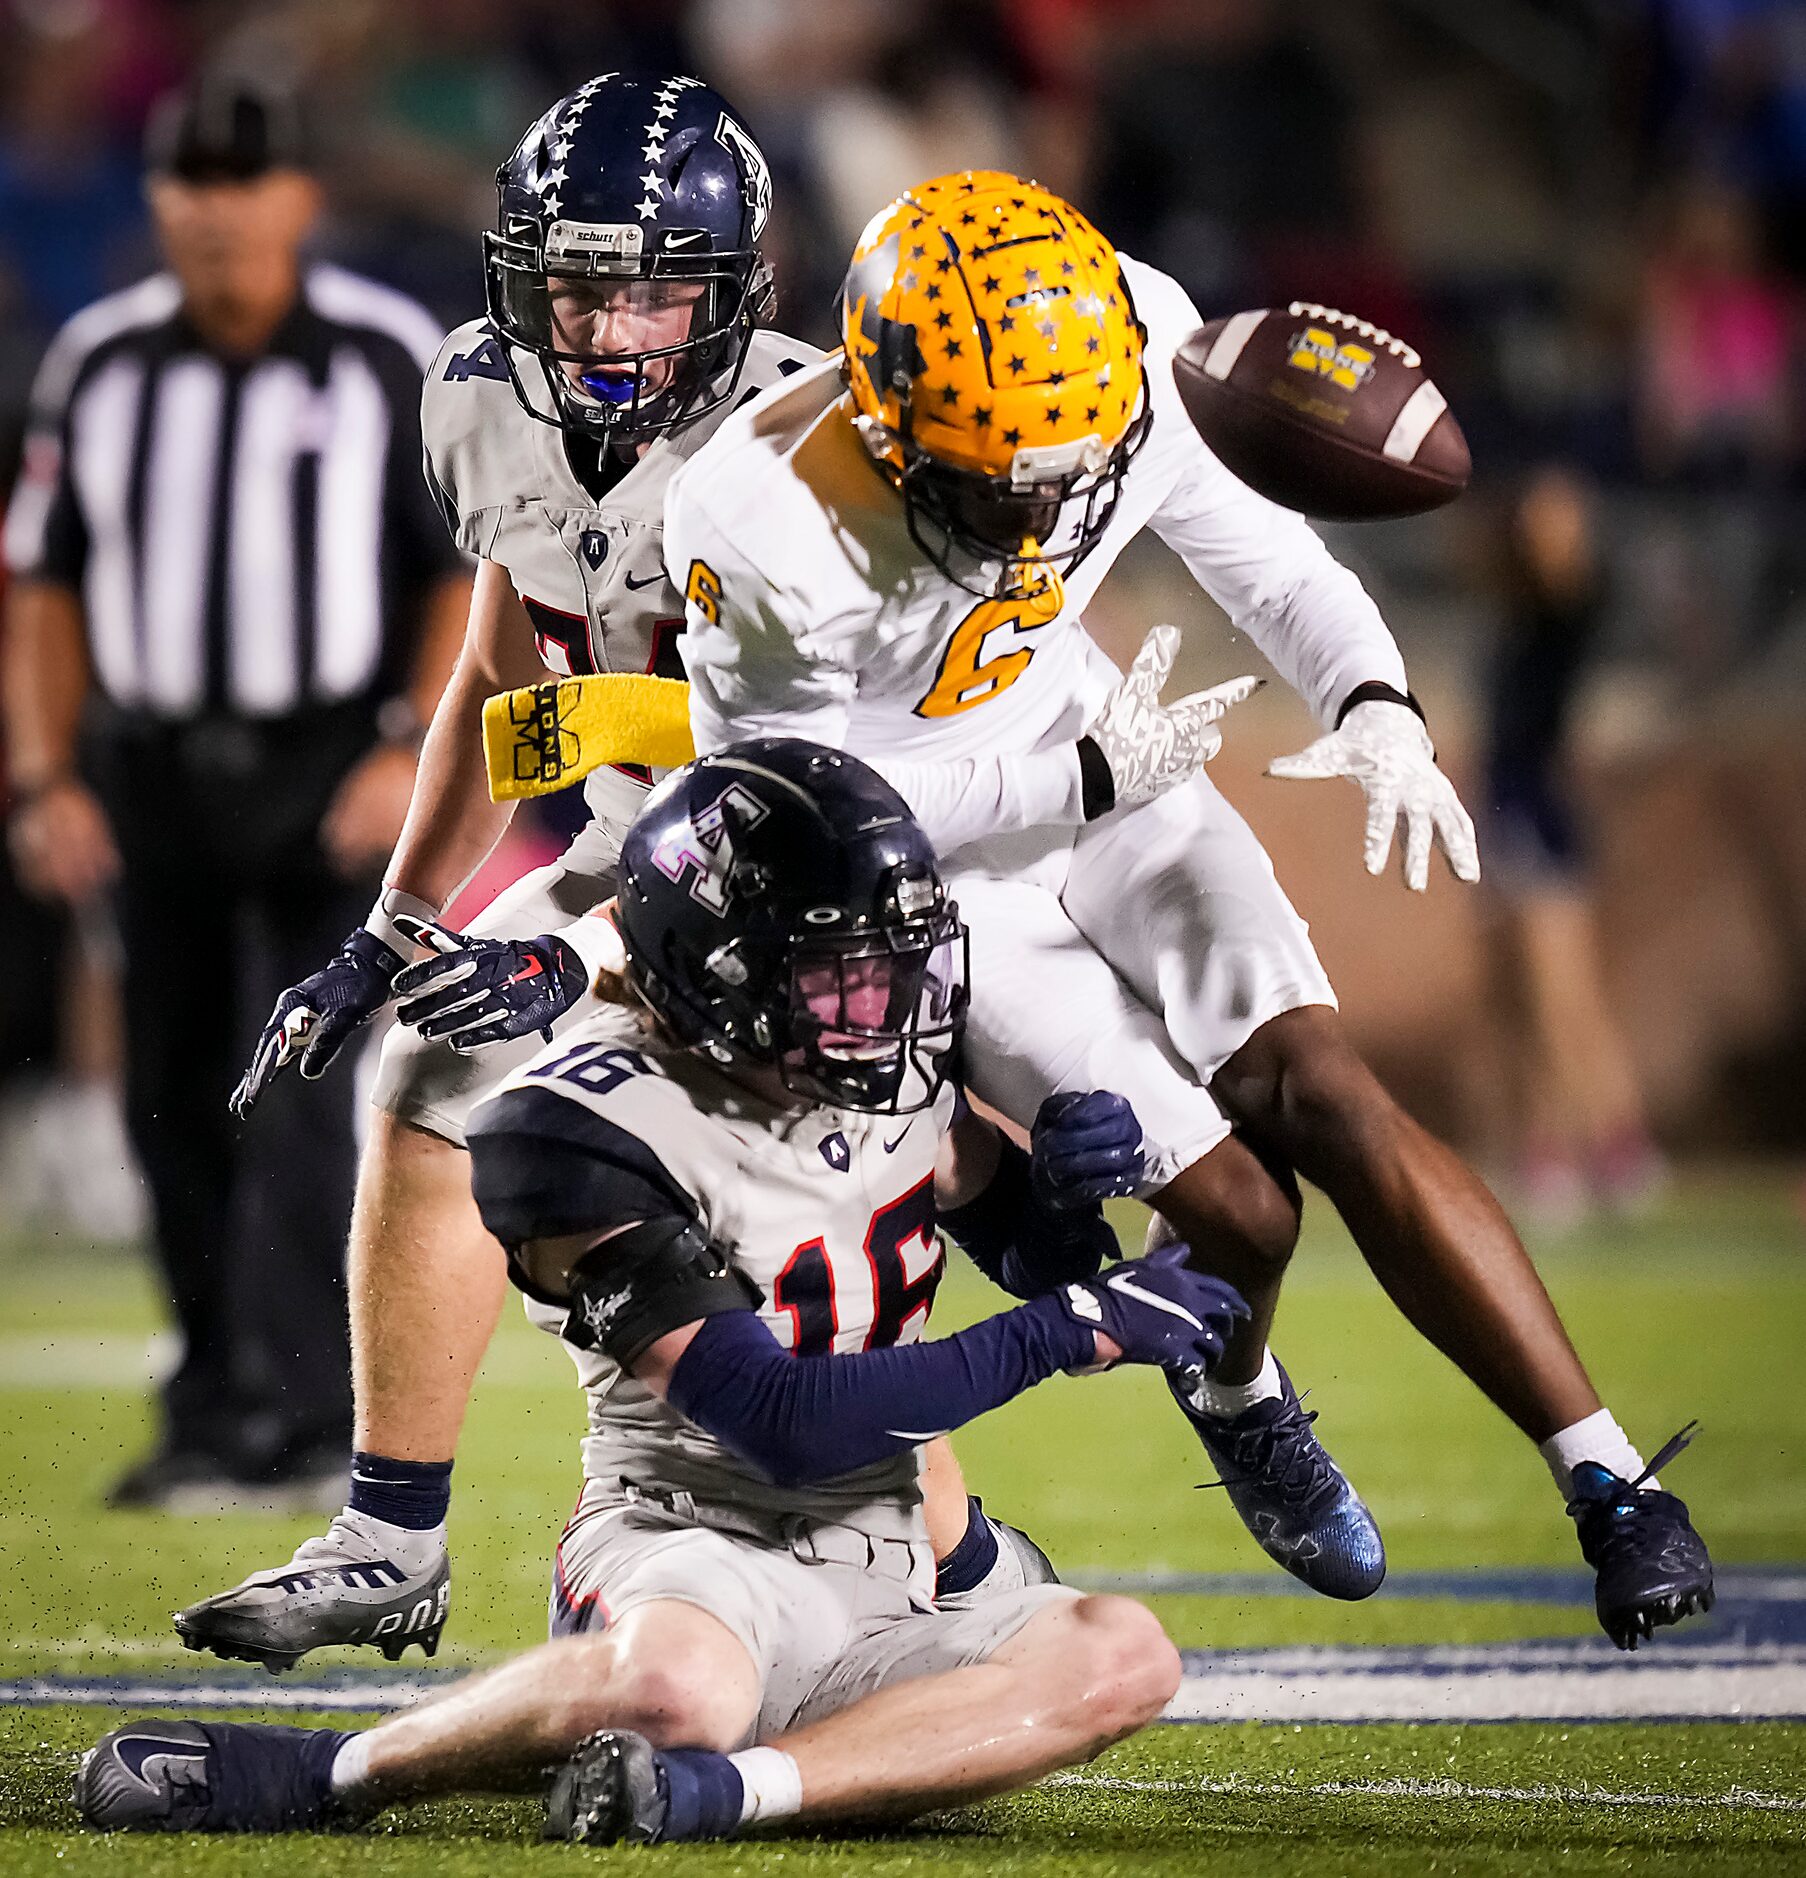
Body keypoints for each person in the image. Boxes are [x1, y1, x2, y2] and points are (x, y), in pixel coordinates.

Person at [652, 172, 1712, 1650]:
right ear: (889, 423)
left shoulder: (1130, 344)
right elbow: (800, 815)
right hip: (934, 869)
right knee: (1238, 1216)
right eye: (992, 482)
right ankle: (1239, 1395)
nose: (1038, 515)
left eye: (1062, 476)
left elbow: (1269, 559)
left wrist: (1373, 701)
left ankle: (1606, 1480)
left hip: (1115, 772)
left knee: (1326, 1089)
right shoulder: (761, 518)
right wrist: (1061, 770)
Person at [179, 75, 1047, 1666]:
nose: (604, 327)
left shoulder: (822, 441)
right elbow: (502, 685)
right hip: (633, 852)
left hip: (837, 871)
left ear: (734, 294)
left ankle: (1028, 1520)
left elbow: (829, 741)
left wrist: (570, 947)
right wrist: (401, 921)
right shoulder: (475, 398)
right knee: (426, 1055)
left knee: (830, 1220)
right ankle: (387, 1533)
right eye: (576, 284)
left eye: (653, 288)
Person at [76, 739, 1244, 1845]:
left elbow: (1041, 1253)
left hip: (892, 1561)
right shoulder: (573, 1128)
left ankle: (717, 1796)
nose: (885, 1005)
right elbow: (778, 1420)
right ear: (712, 971)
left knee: (1125, 1655)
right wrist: (1074, 1330)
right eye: (842, 974)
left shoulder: (874, 1054)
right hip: (687, 1550)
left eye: (895, 963)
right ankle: (338, 1772)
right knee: (679, 1689)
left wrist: (1072, 1183)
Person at [0, 73, 468, 1508]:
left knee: (303, 1095)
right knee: (167, 1097)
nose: (216, 210)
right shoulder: (102, 361)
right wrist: (41, 775)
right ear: (160, 201)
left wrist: (405, 744)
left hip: (329, 762)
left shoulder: (386, 356)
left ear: (298, 200)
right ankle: (210, 1403)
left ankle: (316, 1415)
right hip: (153, 774)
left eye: (244, 179)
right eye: (191, 181)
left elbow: (460, 577)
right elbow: (47, 583)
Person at [1482, 463, 1664, 1226]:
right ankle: (1554, 1149)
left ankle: (1614, 1152)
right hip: (1509, 811)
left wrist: (1563, 530)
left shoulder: (1568, 610)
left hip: (1536, 814)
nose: (1544, 524)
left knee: (1564, 996)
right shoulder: (1519, 608)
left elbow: (1573, 576)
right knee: (1520, 1000)